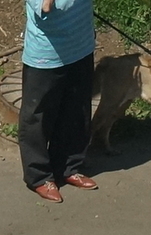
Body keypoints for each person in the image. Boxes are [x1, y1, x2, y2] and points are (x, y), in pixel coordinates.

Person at [19, 0, 98, 203]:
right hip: (46, 54)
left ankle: (68, 166)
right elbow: (46, 6)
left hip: (81, 45)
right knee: (38, 117)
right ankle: (39, 177)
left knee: (76, 110)